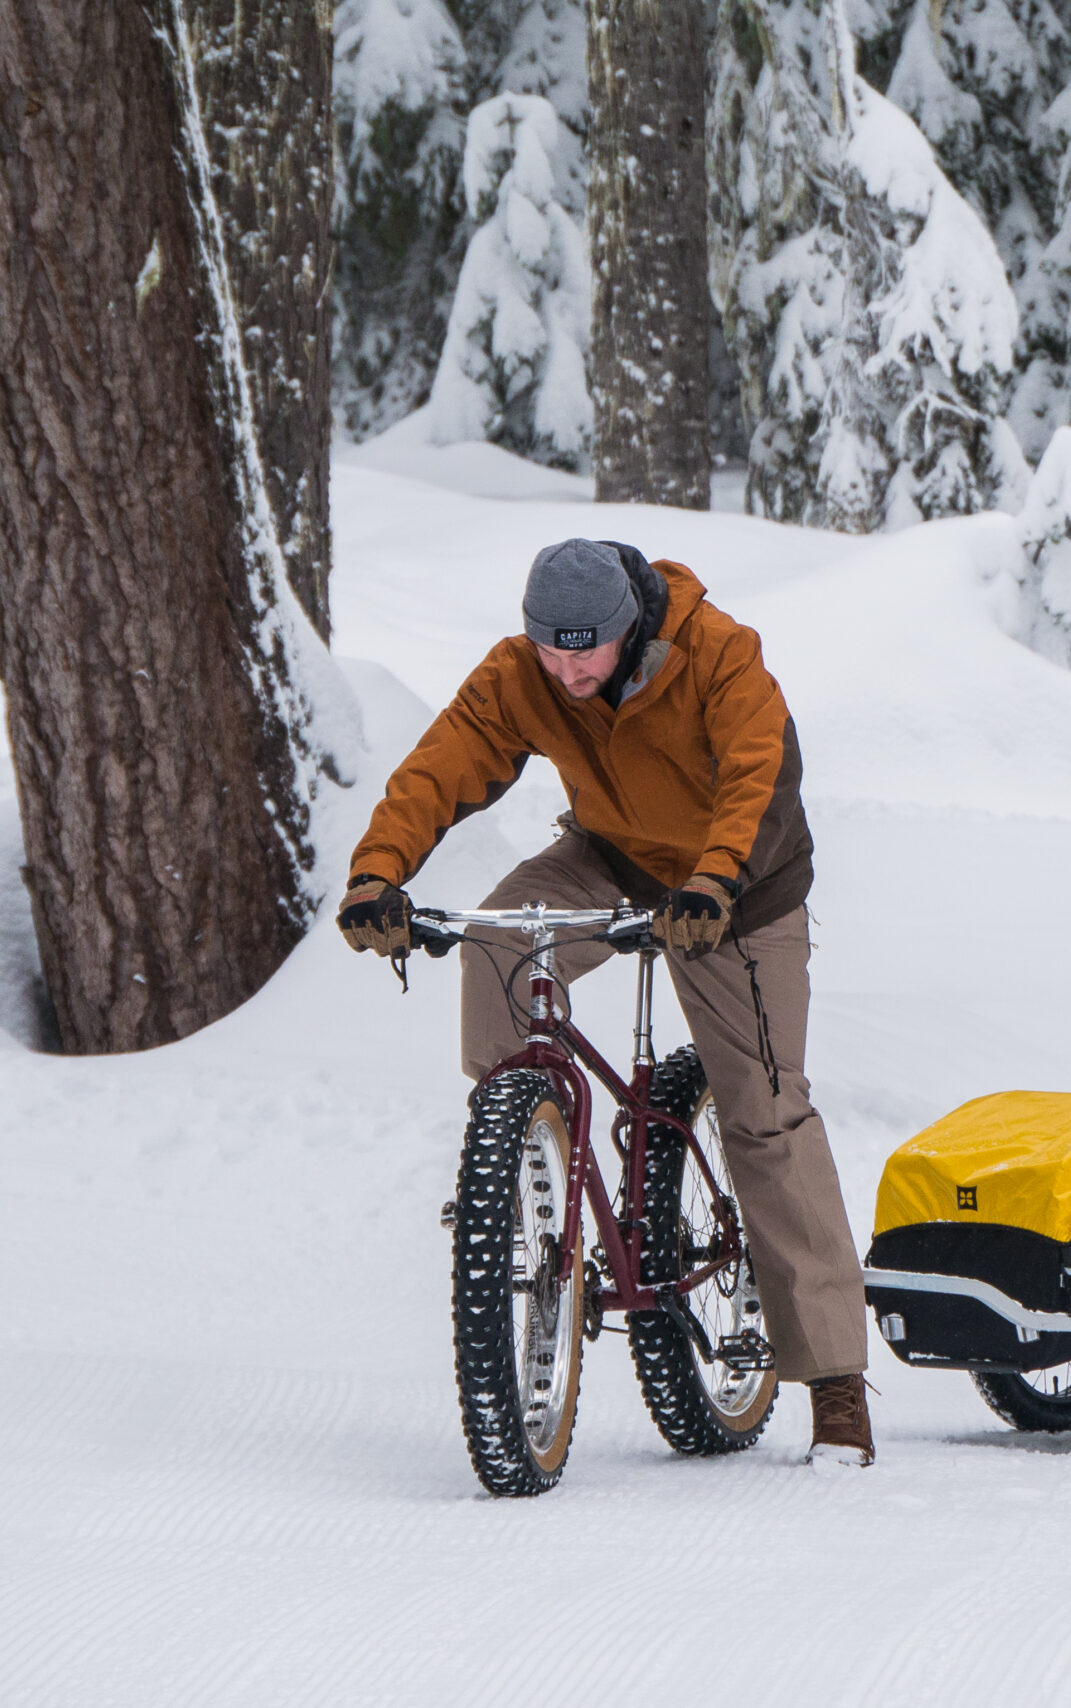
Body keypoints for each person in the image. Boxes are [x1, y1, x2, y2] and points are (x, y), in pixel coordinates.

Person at [337, 538, 874, 1466]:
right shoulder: (523, 674)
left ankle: (834, 1386)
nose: (566, 668)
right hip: (612, 860)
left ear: (628, 629)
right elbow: (443, 764)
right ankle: (518, 1161)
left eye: (583, 650)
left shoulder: (717, 652)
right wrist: (377, 872)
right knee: (501, 940)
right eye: (550, 648)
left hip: (737, 891)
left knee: (766, 1118)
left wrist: (714, 881)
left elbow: (757, 772)